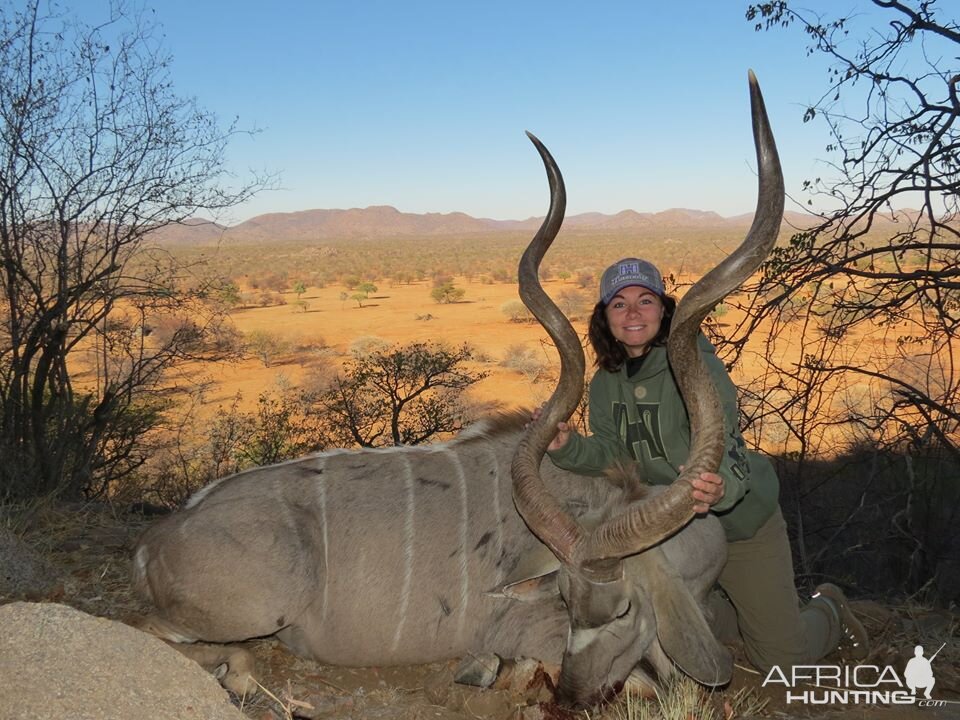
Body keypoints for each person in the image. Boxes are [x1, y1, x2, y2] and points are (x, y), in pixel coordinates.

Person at [536, 256, 869, 672]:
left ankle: (831, 610)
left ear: (665, 309)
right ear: (605, 318)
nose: (633, 313)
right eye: (619, 304)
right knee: (670, 630)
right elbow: (613, 454)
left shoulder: (694, 364)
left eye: (645, 300)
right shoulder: (605, 383)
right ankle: (735, 611)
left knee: (782, 658)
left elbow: (725, 440)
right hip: (680, 533)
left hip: (739, 524)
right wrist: (567, 447)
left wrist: (721, 486)